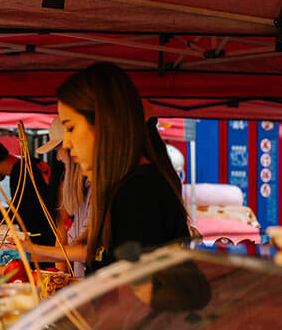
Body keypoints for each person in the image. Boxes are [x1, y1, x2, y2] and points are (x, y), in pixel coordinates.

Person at [56, 62, 189, 272]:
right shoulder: (125, 187)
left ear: (103, 123)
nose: (66, 143)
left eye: (71, 128)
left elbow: (134, 295)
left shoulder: (138, 194)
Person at [0, 135, 58, 243]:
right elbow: (28, 207)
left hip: (46, 243)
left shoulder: (20, 173)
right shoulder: (32, 163)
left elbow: (26, 218)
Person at [31, 118, 90, 275]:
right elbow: (63, 234)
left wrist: (29, 251)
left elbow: (85, 251)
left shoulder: (95, 189)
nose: (57, 157)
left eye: (59, 148)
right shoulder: (77, 188)